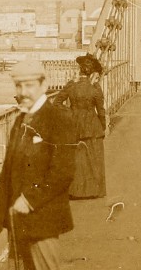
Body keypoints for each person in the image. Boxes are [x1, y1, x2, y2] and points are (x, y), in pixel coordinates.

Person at [0, 59, 77, 270]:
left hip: (44, 220)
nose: (23, 92)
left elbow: (63, 173)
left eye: (29, 85)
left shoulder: (59, 118)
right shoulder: (20, 121)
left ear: (44, 85)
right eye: (18, 86)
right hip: (18, 222)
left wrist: (28, 200)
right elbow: (7, 174)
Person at [55, 53, 107, 199]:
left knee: (76, 159)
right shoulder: (95, 88)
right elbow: (101, 111)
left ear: (80, 70)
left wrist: (71, 112)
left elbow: (57, 103)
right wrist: (103, 126)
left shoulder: (71, 86)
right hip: (93, 126)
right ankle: (94, 191)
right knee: (94, 158)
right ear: (92, 72)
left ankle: (75, 191)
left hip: (74, 125)